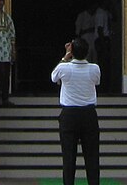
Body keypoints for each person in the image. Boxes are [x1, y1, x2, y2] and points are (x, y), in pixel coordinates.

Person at [53, 37, 101, 185]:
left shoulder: (64, 68)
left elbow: (54, 77)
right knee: (92, 157)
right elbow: (97, 81)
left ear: (72, 52)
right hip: (89, 114)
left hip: (69, 115)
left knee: (68, 157)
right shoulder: (94, 68)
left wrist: (65, 56)